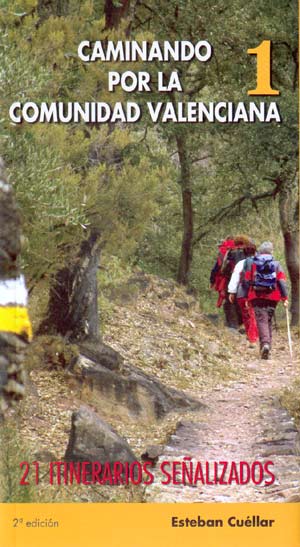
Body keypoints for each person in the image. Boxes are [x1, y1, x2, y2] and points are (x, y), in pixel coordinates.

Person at [243, 241, 288, 359]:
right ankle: (267, 346)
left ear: (260, 251)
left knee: (261, 320)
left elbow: (247, 280)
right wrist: (285, 298)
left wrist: (247, 297)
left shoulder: (253, 264)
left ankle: (265, 345)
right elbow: (282, 281)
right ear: (271, 252)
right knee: (268, 320)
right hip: (273, 296)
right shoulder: (277, 264)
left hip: (257, 295)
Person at [228, 242, 258, 346]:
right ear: (255, 252)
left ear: (244, 253)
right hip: (257, 292)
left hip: (242, 292)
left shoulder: (240, 264)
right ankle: (253, 337)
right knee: (253, 314)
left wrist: (231, 292)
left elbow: (235, 278)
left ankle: (251, 338)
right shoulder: (260, 262)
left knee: (246, 315)